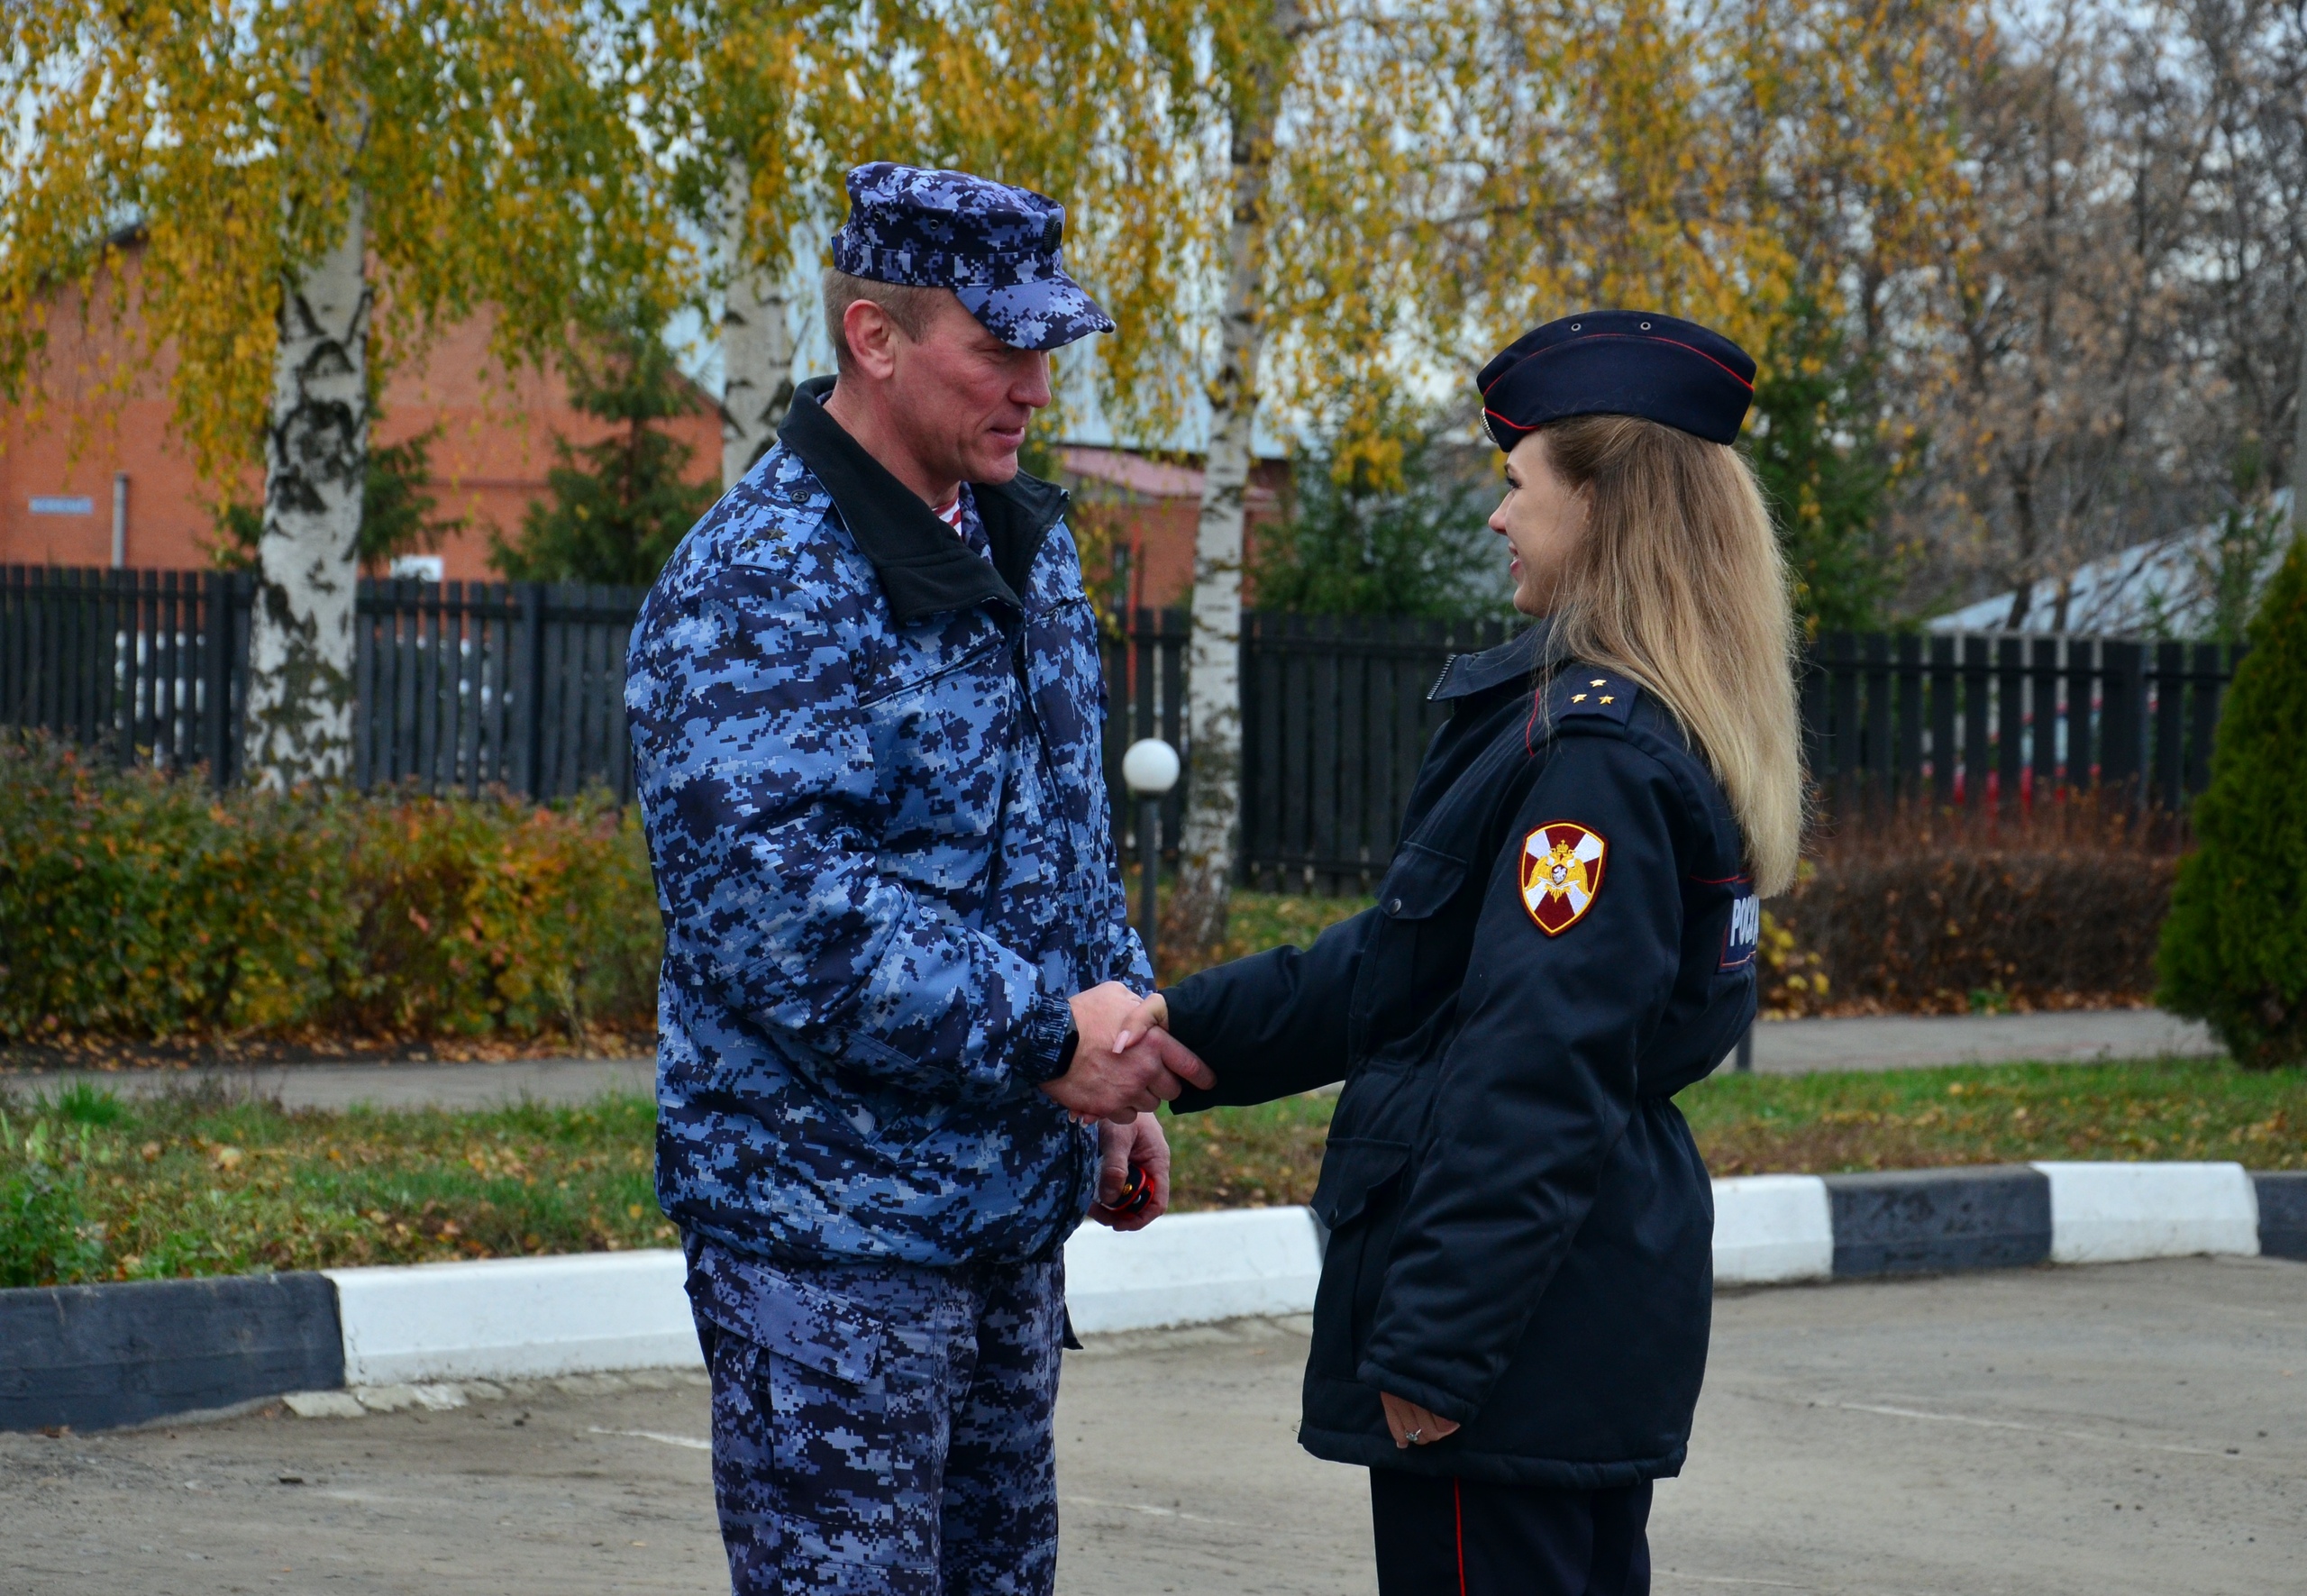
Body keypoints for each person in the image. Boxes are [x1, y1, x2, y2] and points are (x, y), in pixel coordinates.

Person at [1111, 310, 1804, 1595]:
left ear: (1603, 507)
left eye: (1517, 484)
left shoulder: (1594, 764)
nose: (1498, 517)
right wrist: (1168, 1036)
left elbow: (1539, 1076)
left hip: (1512, 1357)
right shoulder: (1610, 727)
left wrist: (1435, 1355)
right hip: (1563, 1330)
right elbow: (1398, 967)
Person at [625, 162, 1210, 1596]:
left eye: (1046, 352)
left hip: (1000, 1220)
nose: (1033, 386)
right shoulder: (760, 579)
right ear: (873, 339)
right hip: (826, 1241)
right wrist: (1041, 1039)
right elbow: (776, 910)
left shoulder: (1019, 550)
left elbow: (1062, 847)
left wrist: (1111, 1061)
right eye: (999, 348)